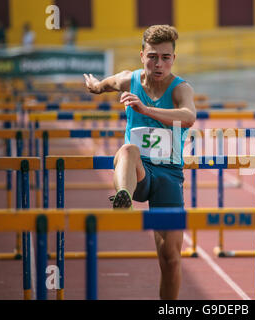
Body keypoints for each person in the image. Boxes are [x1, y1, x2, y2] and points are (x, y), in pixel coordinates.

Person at [83, 25, 196, 300]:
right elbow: (107, 84)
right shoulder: (129, 80)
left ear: (174, 58)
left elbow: (188, 116)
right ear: (142, 55)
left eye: (166, 57)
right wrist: (96, 87)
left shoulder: (181, 88)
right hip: (139, 173)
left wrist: (145, 110)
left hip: (169, 175)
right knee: (127, 150)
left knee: (170, 259)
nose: (159, 64)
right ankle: (123, 198)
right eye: (153, 56)